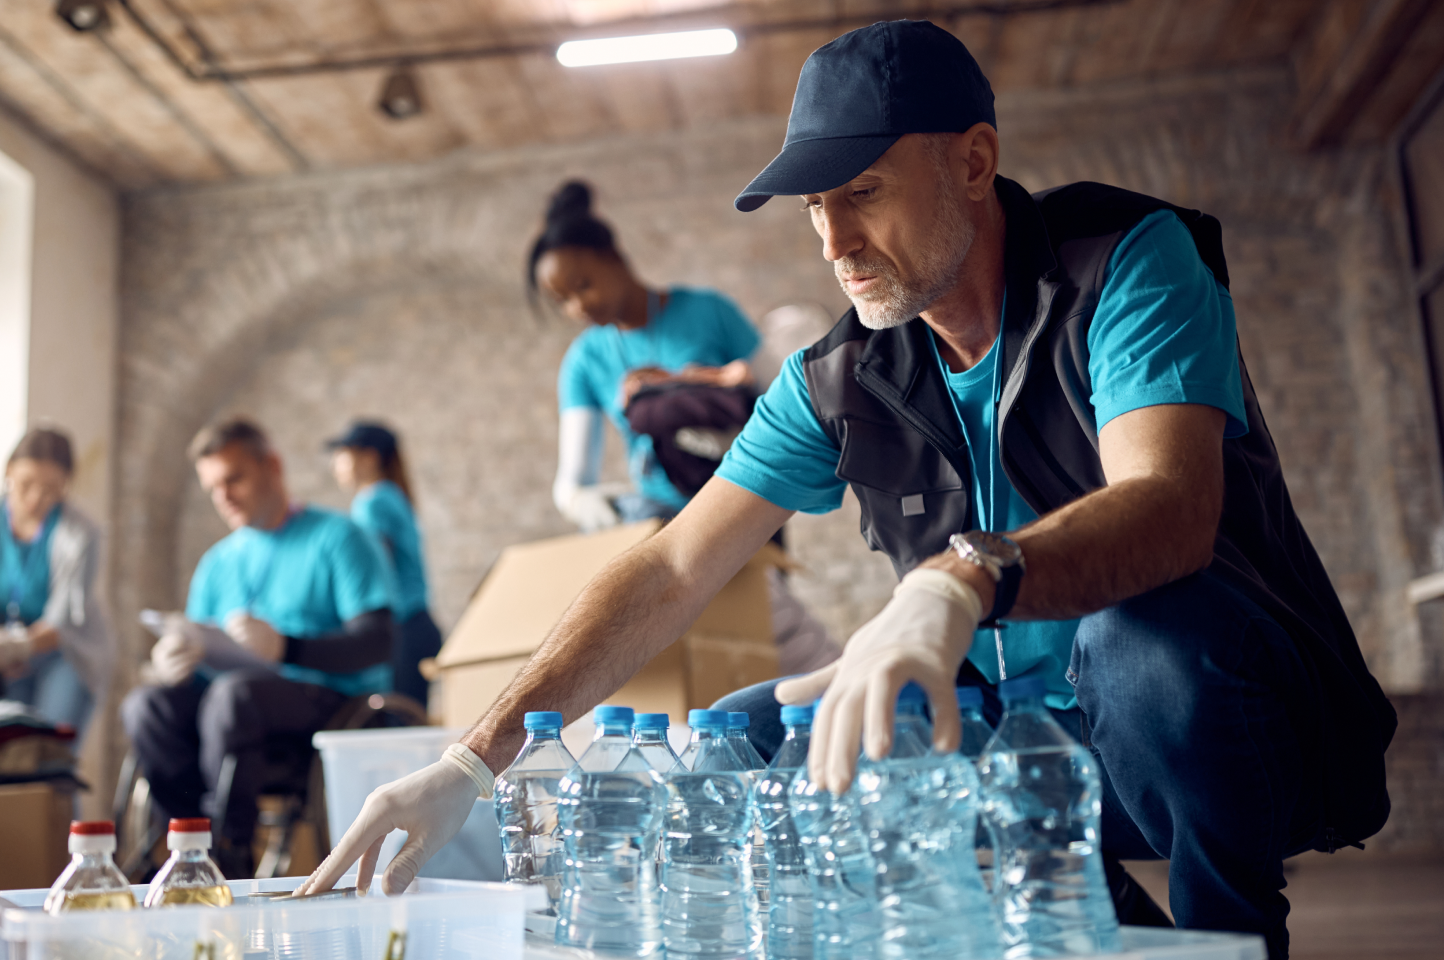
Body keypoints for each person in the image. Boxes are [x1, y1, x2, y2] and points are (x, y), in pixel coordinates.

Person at [300, 22, 1395, 960]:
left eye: (861, 192)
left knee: (1136, 640)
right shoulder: (841, 375)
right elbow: (673, 565)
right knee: (752, 730)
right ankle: (1102, 940)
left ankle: (1229, 932)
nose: (832, 240)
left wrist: (954, 583)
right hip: (1022, 742)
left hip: (1215, 714)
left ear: (972, 161)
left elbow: (1170, 507)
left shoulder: (1123, 262)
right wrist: (471, 759)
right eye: (812, 207)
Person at [533, 180, 840, 675]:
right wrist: (582, 502)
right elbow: (573, 480)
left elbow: (775, 397)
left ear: (613, 255)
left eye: (583, 284)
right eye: (561, 299)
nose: (577, 307)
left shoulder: (707, 312)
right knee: (705, 668)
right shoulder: (585, 361)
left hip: (745, 500)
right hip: (664, 524)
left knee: (775, 646)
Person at [121, 417, 396, 877]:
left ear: (272, 467)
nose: (223, 496)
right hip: (232, 715)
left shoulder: (340, 538)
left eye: (234, 479)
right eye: (212, 487)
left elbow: (378, 642)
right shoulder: (216, 564)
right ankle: (184, 851)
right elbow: (198, 659)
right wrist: (173, 663)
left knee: (234, 697)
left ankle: (228, 857)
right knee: (147, 704)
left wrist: (287, 648)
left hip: (329, 705)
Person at [0, 427, 115, 737]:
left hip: (64, 652)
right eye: (26, 484)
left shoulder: (81, 534)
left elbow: (61, 621)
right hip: (6, 653)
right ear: (8, 471)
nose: (37, 498)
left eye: (51, 488)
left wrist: (18, 647)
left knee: (51, 754)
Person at [327, 420, 441, 707]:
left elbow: (371, 568)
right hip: (418, 625)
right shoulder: (392, 496)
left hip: (404, 630)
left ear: (369, 457)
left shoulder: (373, 502)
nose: (336, 464)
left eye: (343, 454)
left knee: (400, 726)